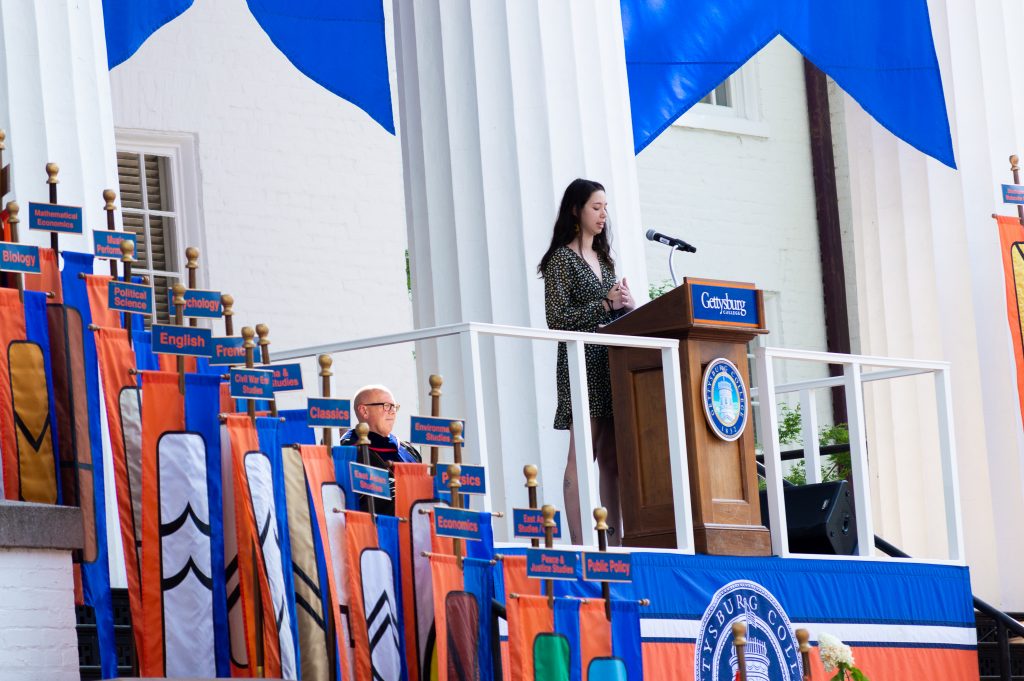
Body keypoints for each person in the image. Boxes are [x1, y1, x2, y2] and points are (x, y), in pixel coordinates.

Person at [537, 178, 634, 545]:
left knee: (612, 457)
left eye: (606, 207)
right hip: (582, 363)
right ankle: (580, 543)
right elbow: (556, 318)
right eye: (596, 207)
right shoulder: (562, 259)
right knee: (583, 454)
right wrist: (605, 304)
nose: (603, 214)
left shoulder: (605, 259)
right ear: (576, 210)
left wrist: (627, 304)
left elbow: (613, 310)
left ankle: (618, 540)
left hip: (612, 362)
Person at [340, 384, 421, 514]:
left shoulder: (408, 450)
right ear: (364, 411)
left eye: (394, 407)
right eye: (386, 406)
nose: (393, 411)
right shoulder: (348, 452)